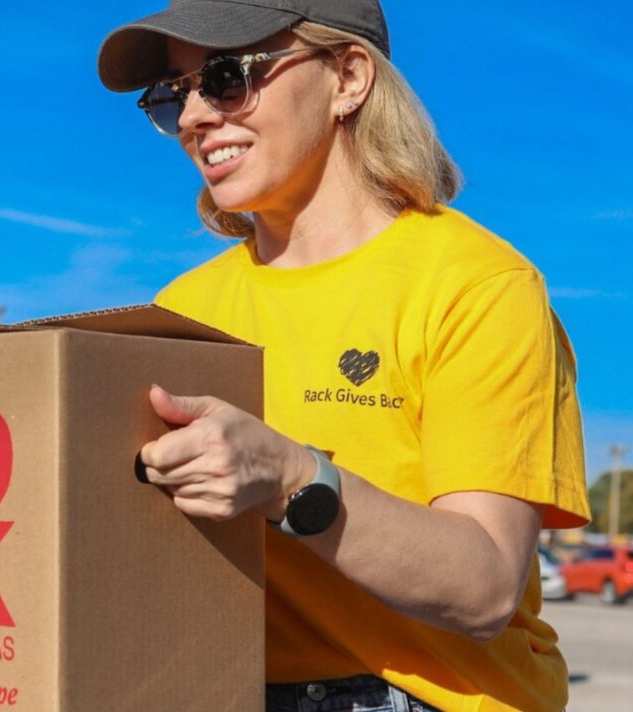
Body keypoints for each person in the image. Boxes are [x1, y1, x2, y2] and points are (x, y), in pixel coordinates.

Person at [97, 1, 590, 710]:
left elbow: (483, 589)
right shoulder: (180, 311)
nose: (197, 117)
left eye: (227, 77)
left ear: (349, 77)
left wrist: (291, 478)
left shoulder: (476, 287)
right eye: (175, 95)